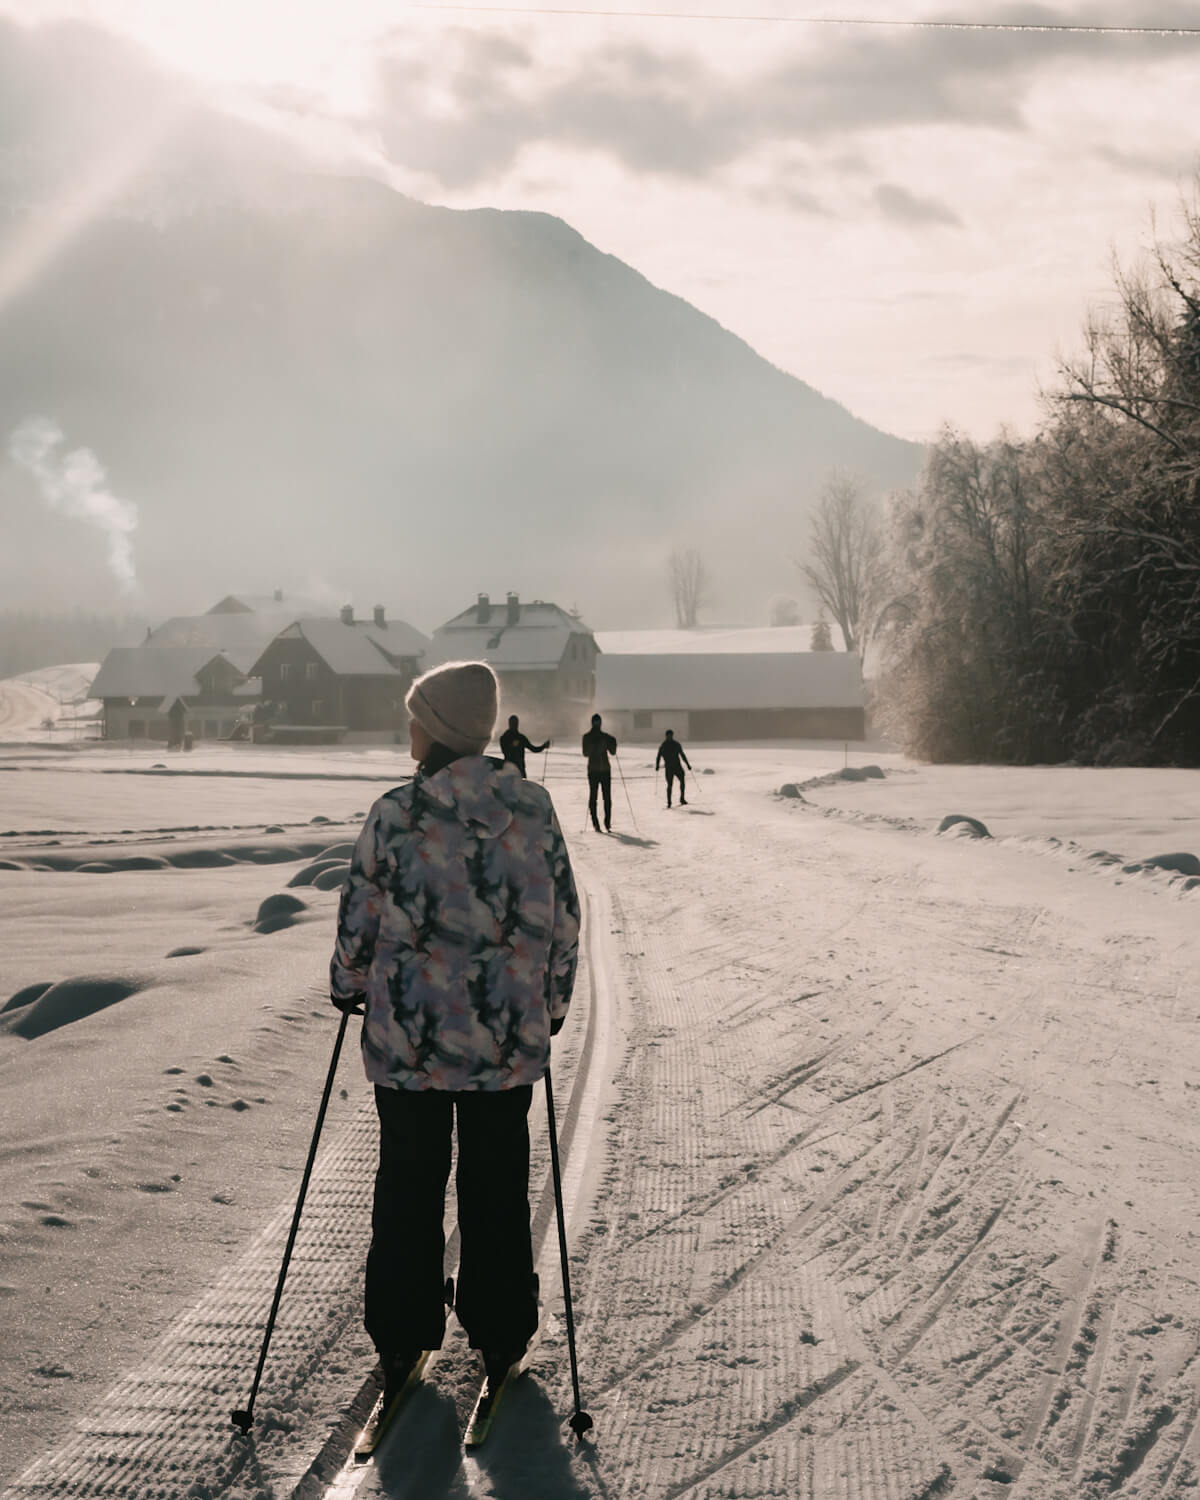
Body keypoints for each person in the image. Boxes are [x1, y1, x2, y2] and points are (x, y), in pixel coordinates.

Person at [330, 660, 580, 1408]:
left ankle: (402, 1330)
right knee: (496, 1185)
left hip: (409, 1044)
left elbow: (359, 916)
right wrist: (552, 1005)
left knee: (408, 1183)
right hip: (503, 1041)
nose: (408, 727)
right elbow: (563, 917)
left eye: (416, 716)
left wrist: (347, 985)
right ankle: (500, 1330)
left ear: (436, 729)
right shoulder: (531, 808)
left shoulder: (395, 814)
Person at [581, 712, 617, 832]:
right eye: (596, 722)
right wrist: (595, 745)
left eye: (598, 722)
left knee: (607, 797)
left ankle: (607, 822)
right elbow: (585, 753)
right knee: (594, 797)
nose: (597, 724)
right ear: (592, 723)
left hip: (604, 770)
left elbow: (613, 752)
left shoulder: (605, 737)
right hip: (594, 770)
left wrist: (613, 743)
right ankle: (595, 822)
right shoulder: (587, 737)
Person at [499, 714, 549, 778]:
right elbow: (505, 752)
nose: (514, 725)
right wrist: (512, 746)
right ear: (509, 724)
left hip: (520, 769)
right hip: (509, 769)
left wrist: (544, 746)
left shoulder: (521, 738)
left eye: (515, 723)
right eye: (513, 723)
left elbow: (533, 749)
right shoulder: (504, 738)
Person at [655, 728, 692, 807]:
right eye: (668, 736)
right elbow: (658, 756)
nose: (669, 737)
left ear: (672, 735)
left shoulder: (676, 744)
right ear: (666, 736)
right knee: (670, 784)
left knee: (682, 781)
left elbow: (682, 755)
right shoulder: (663, 746)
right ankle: (669, 802)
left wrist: (687, 764)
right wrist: (657, 765)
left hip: (677, 766)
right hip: (669, 768)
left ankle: (682, 798)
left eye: (670, 735)